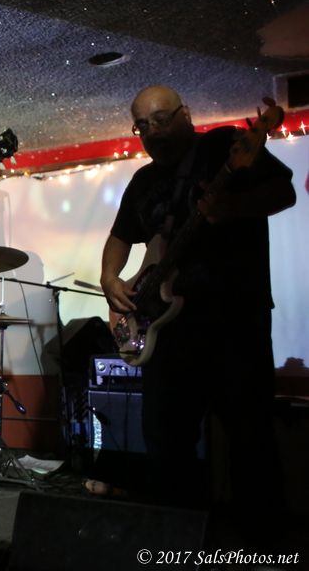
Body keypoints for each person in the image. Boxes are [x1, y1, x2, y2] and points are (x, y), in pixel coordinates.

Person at [100, 87, 295, 530]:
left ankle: (262, 544)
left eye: (161, 119)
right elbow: (120, 237)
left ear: (185, 114)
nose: (153, 131)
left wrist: (234, 207)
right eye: (142, 125)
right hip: (168, 333)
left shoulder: (225, 146)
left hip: (232, 322)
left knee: (249, 436)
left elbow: (284, 192)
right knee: (165, 440)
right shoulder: (144, 181)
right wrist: (110, 278)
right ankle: (180, 538)